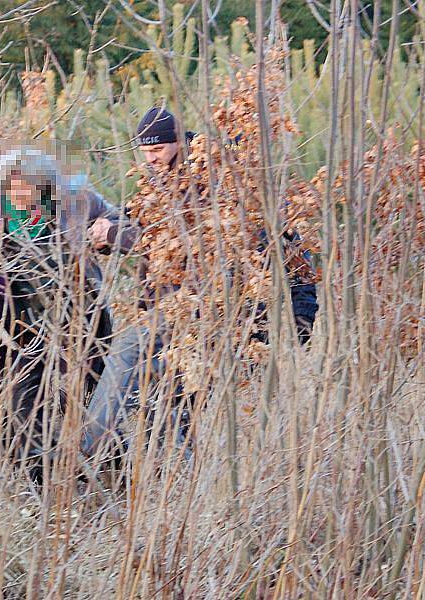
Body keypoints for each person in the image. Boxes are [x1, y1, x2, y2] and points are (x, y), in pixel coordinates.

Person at [80, 107, 319, 459]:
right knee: (169, 411)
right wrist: (104, 236)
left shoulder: (212, 180)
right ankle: (164, 489)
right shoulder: (160, 180)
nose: (151, 160)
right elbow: (143, 228)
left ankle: (84, 455)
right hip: (176, 315)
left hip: (204, 318)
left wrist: (117, 234)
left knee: (130, 354)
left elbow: (185, 240)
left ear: (180, 142)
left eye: (158, 151)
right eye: (144, 154)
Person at [0, 147, 139, 482]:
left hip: (78, 318)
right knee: (20, 406)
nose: (19, 194)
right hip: (15, 322)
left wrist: (109, 232)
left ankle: (117, 477)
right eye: (11, 187)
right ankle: (49, 489)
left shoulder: (75, 200)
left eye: (27, 186)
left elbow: (130, 233)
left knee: (92, 399)